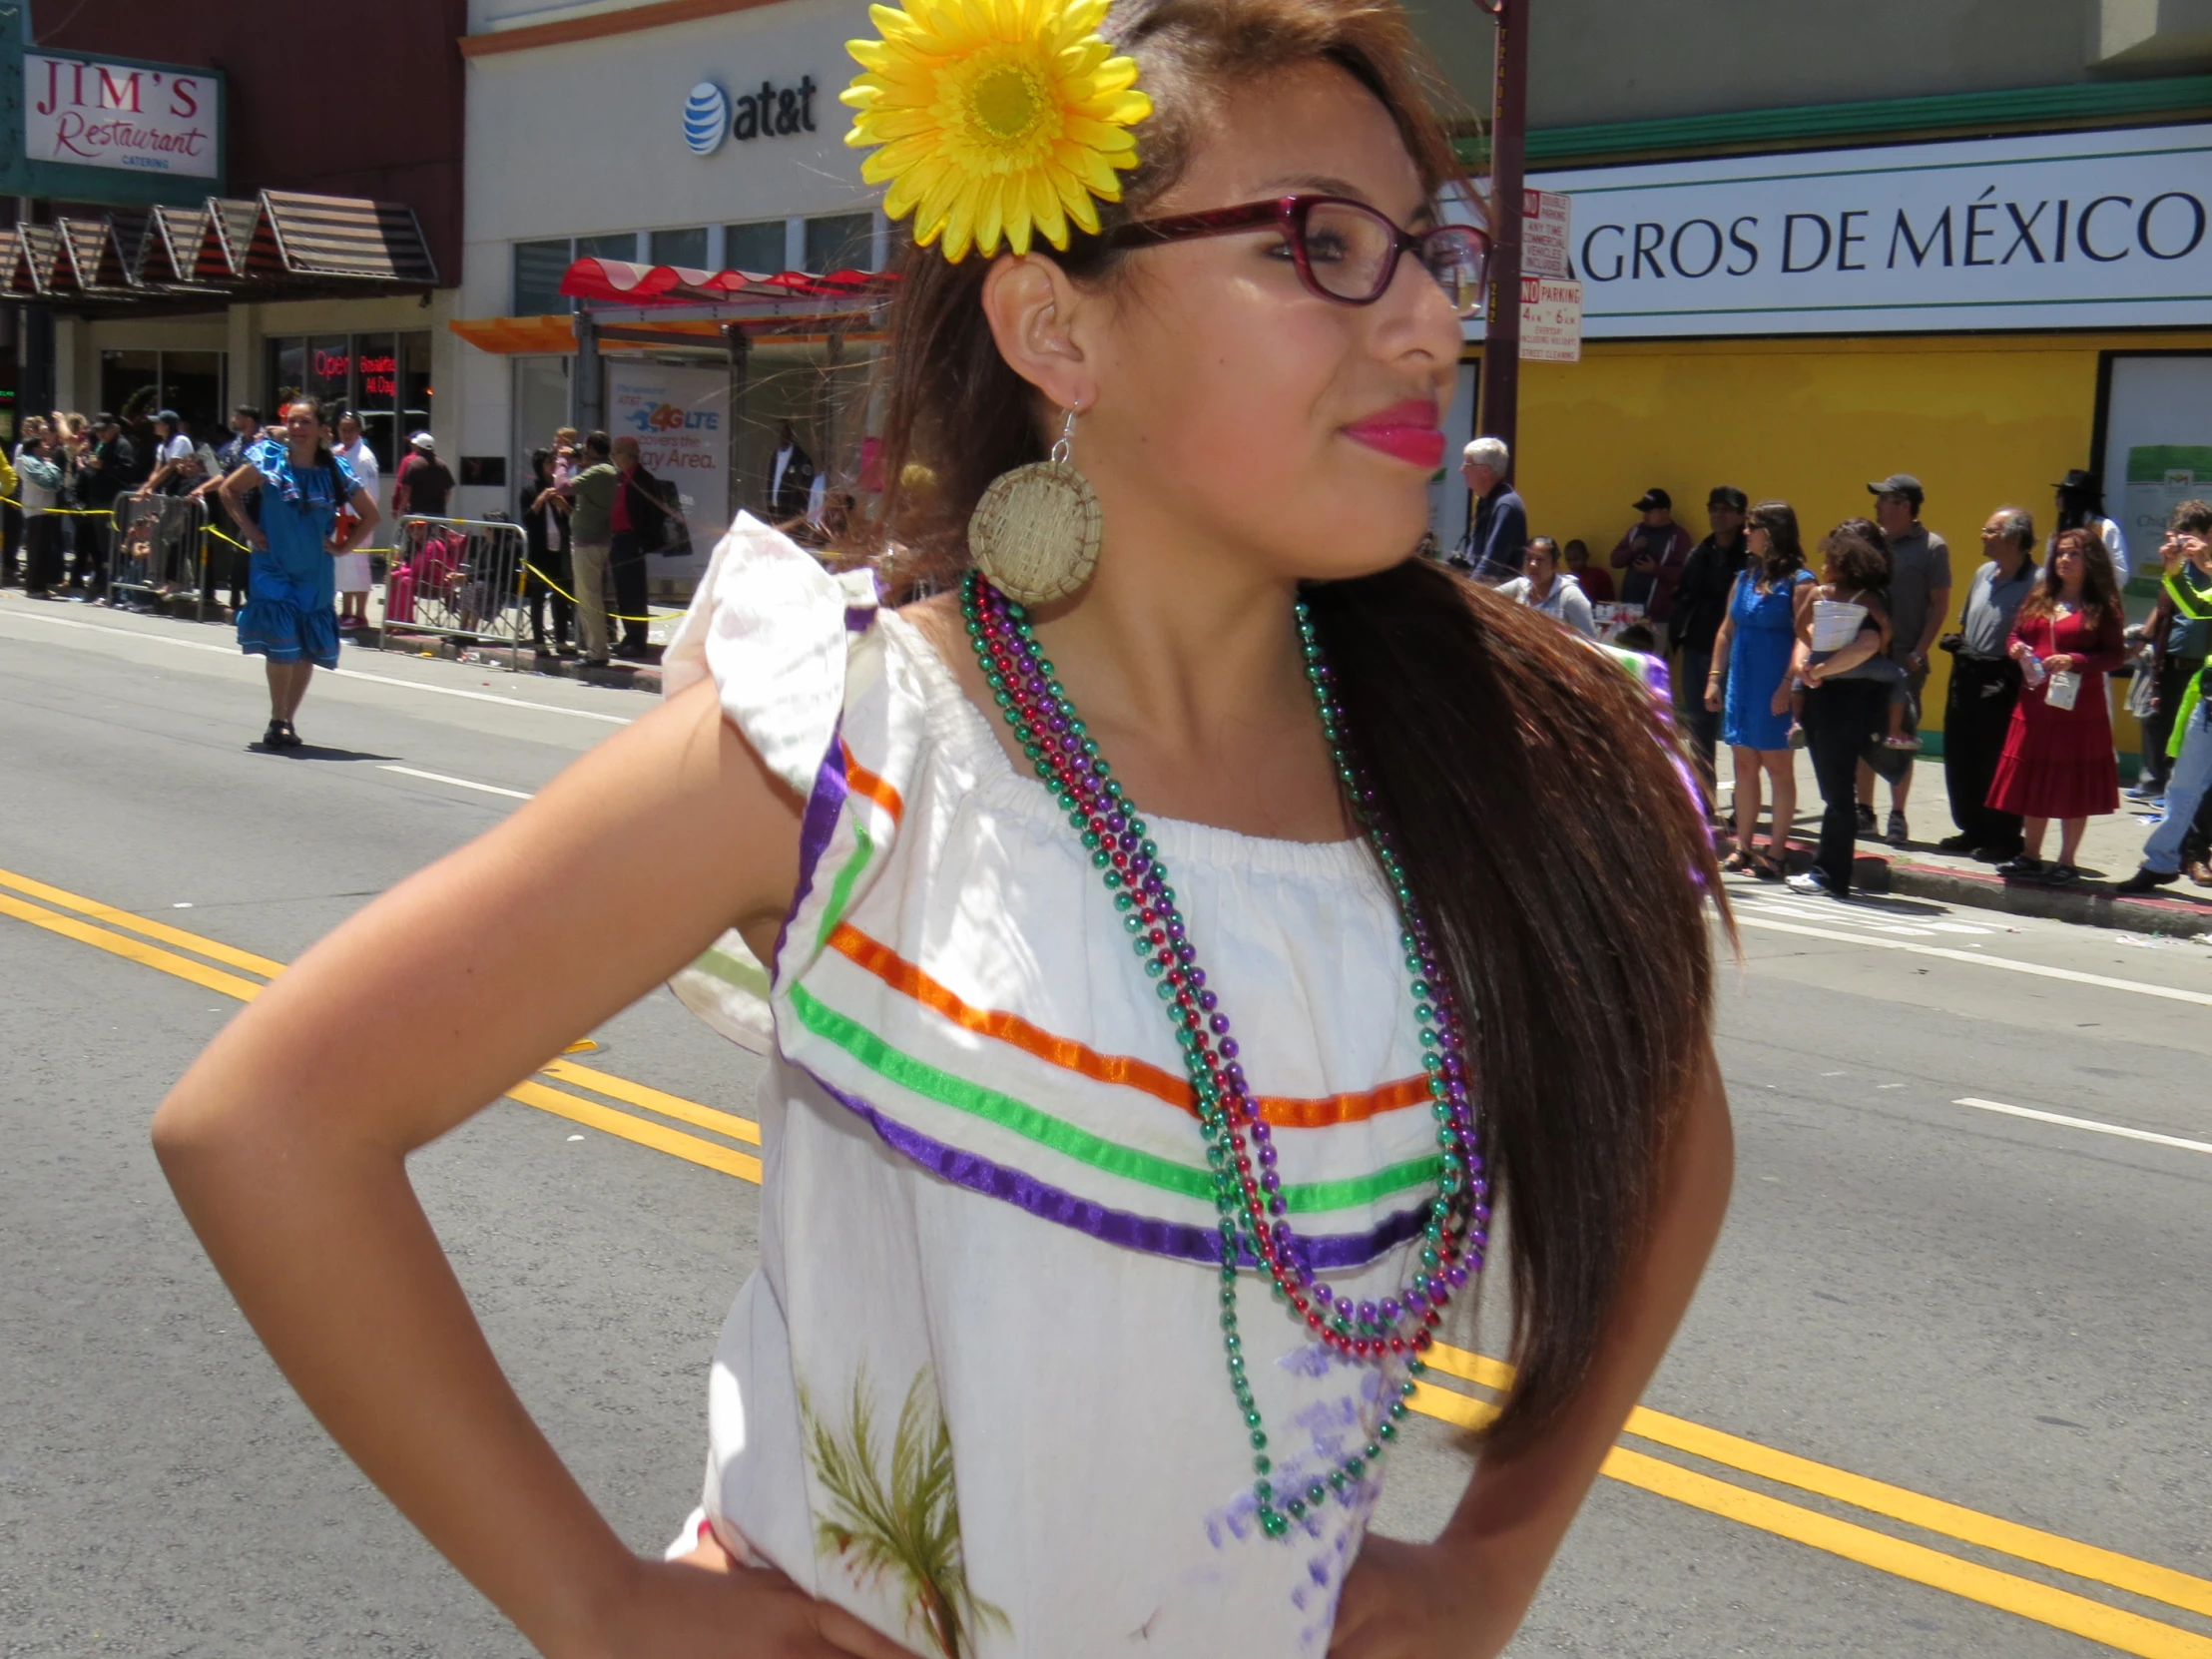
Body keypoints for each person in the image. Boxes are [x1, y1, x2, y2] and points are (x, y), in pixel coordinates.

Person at [148, 6, 1733, 1655]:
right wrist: (598, 1602)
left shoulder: (1515, 768)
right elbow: (270, 1125)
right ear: (1058, 326)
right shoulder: (846, 738)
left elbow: (1673, 1145)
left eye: (1427, 248)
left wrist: (1491, 1561)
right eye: (1323, 244)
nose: (1424, 323)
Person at [217, 398, 381, 749]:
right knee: (282, 645)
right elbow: (228, 489)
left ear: (322, 429)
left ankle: (287, 719)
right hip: (272, 565)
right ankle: (277, 717)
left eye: (305, 422)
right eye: (292, 421)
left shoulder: (335, 468)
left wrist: (341, 548)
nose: (297, 429)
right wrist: (249, 528)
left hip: (315, 571)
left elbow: (371, 515)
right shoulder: (270, 459)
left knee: (304, 646)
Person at [1986, 527, 2126, 883]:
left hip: (2078, 708)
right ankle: (2030, 854)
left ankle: (2067, 860)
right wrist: (2016, 648)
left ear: (2090, 560)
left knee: (2071, 783)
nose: (2064, 560)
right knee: (2034, 777)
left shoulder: (2102, 604)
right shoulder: (2040, 595)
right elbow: (2017, 633)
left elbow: (2114, 656)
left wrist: (2075, 659)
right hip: (2035, 702)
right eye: (2061, 553)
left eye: (2074, 554)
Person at [1786, 519, 1896, 897]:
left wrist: (1821, 669)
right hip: (1824, 696)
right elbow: (1807, 633)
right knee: (1834, 791)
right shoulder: (1827, 596)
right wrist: (1807, 667)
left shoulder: (1870, 599)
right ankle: (1828, 872)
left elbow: (1869, 642)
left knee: (1838, 794)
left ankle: (1830, 874)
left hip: (1848, 700)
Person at [1706, 501, 1813, 877]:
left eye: (1753, 527)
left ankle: (1778, 852)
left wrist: (1788, 685)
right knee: (1744, 764)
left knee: (1778, 766)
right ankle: (1744, 846)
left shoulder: (1800, 582)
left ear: (1773, 533)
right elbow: (1726, 629)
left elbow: (1805, 638)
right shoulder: (1745, 578)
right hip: (1743, 683)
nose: (1745, 532)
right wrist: (1715, 677)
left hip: (1775, 684)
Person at [2114, 505, 2212, 894]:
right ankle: (2162, 861)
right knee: (2183, 787)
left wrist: (2203, 561)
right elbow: (2198, 607)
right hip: (2208, 700)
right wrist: (2174, 571)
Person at [1936, 507, 2038, 862]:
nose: (1983, 535)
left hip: (2003, 680)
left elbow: (2034, 637)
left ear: (2013, 538)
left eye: (1990, 531)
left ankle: (2003, 836)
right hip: (1967, 674)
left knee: (1996, 760)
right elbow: (1968, 624)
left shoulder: (2036, 582)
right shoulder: (1983, 574)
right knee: (1962, 755)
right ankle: (1972, 828)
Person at [1857, 473, 1951, 846]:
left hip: (1906, 660)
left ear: (1905, 506)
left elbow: (1940, 604)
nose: (1877, 506)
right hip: (1867, 656)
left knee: (1901, 737)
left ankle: (1898, 813)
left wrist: (1919, 651)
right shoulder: (1870, 542)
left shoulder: (1932, 547)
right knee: (1864, 734)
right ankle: (1864, 810)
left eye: (1885, 499)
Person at [1672, 486, 1751, 797]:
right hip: (1698, 649)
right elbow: (1683, 599)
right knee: (1699, 729)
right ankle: (1706, 800)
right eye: (1713, 508)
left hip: (1739, 653)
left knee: (1738, 733)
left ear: (1742, 515)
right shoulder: (1700, 553)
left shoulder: (1750, 557)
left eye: (1726, 509)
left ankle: (1743, 802)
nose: (1718, 515)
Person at [191, 405, 267, 617]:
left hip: (264, 506)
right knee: (241, 552)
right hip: (241, 509)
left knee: (252, 555)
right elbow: (224, 476)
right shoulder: (234, 446)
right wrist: (201, 489)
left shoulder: (265, 442)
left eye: (237, 416)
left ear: (249, 420)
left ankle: (253, 599)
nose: (233, 419)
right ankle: (237, 597)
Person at [1608, 487, 1692, 646]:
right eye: (1643, 511)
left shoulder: (1678, 537)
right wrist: (1632, 549)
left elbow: (1685, 575)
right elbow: (1615, 560)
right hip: (1629, 615)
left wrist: (1654, 570)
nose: (1644, 515)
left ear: (1665, 512)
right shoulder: (1636, 531)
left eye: (1649, 511)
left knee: (1653, 665)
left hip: (1658, 619)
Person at [609, 434, 666, 661]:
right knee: (622, 592)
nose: (612, 457)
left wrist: (645, 541)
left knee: (634, 593)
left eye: (616, 453)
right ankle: (628, 637)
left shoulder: (643, 480)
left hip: (633, 541)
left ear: (627, 455)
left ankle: (637, 640)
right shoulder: (618, 478)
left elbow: (656, 514)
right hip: (617, 539)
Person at [566, 431, 618, 668]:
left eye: (586, 448)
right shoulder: (603, 470)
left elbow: (564, 486)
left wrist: (561, 463)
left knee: (589, 598)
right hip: (592, 540)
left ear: (593, 450)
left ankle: (597, 652)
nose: (582, 452)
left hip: (589, 542)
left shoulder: (600, 472)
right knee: (587, 597)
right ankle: (594, 648)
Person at [522, 446, 575, 657]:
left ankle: (561, 640)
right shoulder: (529, 490)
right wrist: (541, 499)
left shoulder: (561, 488)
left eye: (554, 462)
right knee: (537, 597)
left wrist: (561, 503)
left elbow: (573, 515)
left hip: (559, 549)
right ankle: (539, 641)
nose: (552, 466)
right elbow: (527, 518)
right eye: (548, 462)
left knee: (560, 595)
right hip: (538, 550)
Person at [331, 412, 381, 631]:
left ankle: (360, 614)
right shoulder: (337, 452)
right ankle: (346, 611)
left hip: (357, 518)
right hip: (339, 517)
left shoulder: (364, 458)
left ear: (359, 431)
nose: (347, 434)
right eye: (343, 429)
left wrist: (362, 518)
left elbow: (371, 493)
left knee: (358, 566)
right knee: (344, 566)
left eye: (351, 429)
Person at [1455, 434, 1527, 583]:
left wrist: (1465, 596)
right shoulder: (1486, 501)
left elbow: (1491, 565)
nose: (1461, 469)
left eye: (1467, 464)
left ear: (1485, 471)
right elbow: (1473, 557)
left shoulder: (1505, 506)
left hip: (1497, 597)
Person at [1496, 534, 1593, 636]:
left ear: (1554, 565)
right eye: (1529, 558)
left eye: (1540, 560)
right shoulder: (1520, 586)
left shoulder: (1570, 595)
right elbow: (1487, 598)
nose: (1533, 565)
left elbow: (1589, 640)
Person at [2052, 469, 2128, 585]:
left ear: (2078, 498)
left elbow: (2119, 572)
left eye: (2062, 494)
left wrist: (2096, 597)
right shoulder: (2058, 531)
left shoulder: (2105, 528)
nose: (2057, 499)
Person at [14, 426, 63, 598]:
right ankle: (34, 587)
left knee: (43, 550)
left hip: (45, 511)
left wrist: (48, 464)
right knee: (37, 550)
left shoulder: (39, 462)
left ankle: (40, 585)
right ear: (35, 449)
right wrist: (50, 466)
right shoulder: (28, 463)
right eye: (43, 444)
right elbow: (49, 483)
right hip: (36, 511)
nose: (47, 446)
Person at [393, 431, 454, 520]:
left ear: (419, 447)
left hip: (418, 514)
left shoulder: (413, 465)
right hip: (438, 515)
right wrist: (441, 506)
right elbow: (448, 491)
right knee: (436, 534)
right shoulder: (442, 465)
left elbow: (406, 490)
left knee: (417, 534)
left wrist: (401, 509)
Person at [769, 418, 816, 521]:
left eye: (782, 431)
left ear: (790, 432)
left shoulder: (801, 459)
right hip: (774, 514)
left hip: (790, 517)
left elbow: (805, 492)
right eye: (776, 430)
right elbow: (770, 484)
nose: (779, 434)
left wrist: (797, 517)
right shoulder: (774, 456)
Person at [1561, 536, 1612, 602]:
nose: (1572, 563)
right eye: (1569, 560)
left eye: (1576, 559)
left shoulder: (1598, 575)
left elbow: (1609, 602)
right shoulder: (1566, 579)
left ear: (1586, 556)